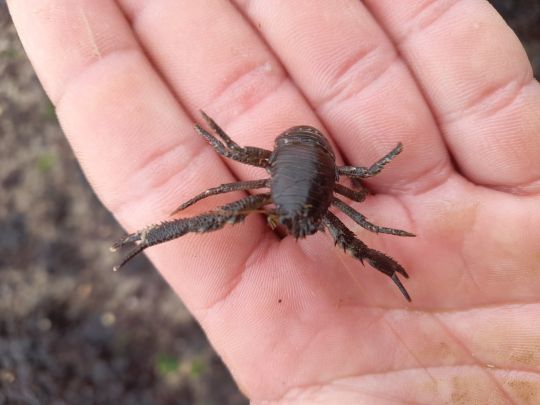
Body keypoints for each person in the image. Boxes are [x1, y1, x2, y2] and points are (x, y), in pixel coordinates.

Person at [9, 1, 540, 402]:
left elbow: (350, 184)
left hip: (303, 164)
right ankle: (146, 235)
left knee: (341, 237)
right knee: (230, 214)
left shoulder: (311, 205)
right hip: (292, 162)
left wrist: (373, 197)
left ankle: (391, 268)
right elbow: (240, 159)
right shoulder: (284, 197)